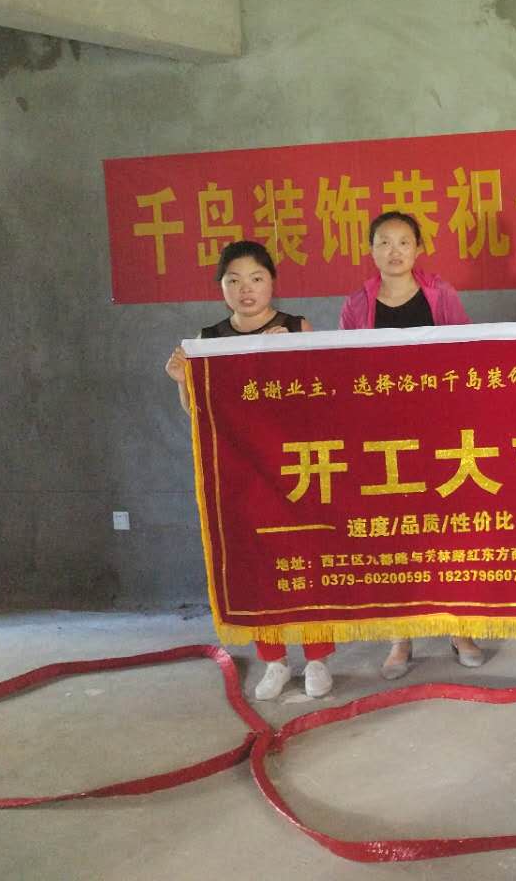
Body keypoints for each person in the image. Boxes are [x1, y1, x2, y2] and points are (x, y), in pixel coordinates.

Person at [164, 240, 335, 701]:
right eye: (234, 280)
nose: (246, 289)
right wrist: (183, 382)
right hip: (242, 472)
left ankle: (317, 659)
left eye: (256, 279)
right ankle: (274, 660)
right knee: (257, 565)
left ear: (271, 282)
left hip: (296, 466)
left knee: (306, 558)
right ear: (221, 287)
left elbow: (322, 397)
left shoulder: (297, 328)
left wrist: (292, 353)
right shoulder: (209, 340)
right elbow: (199, 414)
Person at [339, 210, 487, 678]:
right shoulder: (356, 305)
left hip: (440, 429)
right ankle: (400, 638)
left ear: (419, 249)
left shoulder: (441, 294)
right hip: (384, 435)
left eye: (404, 241)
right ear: (371, 250)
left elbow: (468, 350)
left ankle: (459, 629)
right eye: (384, 242)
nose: (394, 251)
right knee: (396, 536)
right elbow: (343, 367)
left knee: (448, 533)